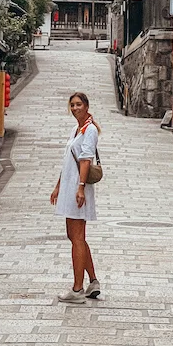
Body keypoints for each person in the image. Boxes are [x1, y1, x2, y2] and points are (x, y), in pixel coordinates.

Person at [50, 91, 101, 303]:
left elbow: (86, 160)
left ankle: (77, 289)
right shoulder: (75, 129)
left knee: (77, 238)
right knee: (74, 236)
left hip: (78, 189)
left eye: (79, 104)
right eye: (72, 105)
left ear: (87, 106)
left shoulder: (90, 130)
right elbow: (68, 161)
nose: (75, 108)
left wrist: (80, 188)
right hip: (69, 187)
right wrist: (58, 186)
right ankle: (93, 281)